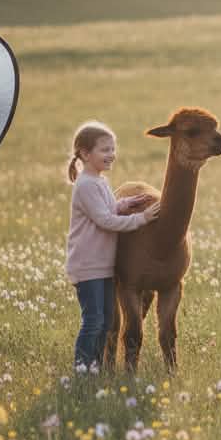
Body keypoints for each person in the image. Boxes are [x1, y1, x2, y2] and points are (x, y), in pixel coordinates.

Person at [65, 121, 159, 372]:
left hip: (103, 265)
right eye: (105, 150)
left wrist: (126, 204)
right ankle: (83, 369)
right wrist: (141, 218)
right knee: (94, 321)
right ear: (85, 154)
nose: (111, 155)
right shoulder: (85, 185)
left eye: (113, 149)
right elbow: (105, 220)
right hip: (88, 266)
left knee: (106, 320)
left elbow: (108, 209)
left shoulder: (99, 181)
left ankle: (96, 367)